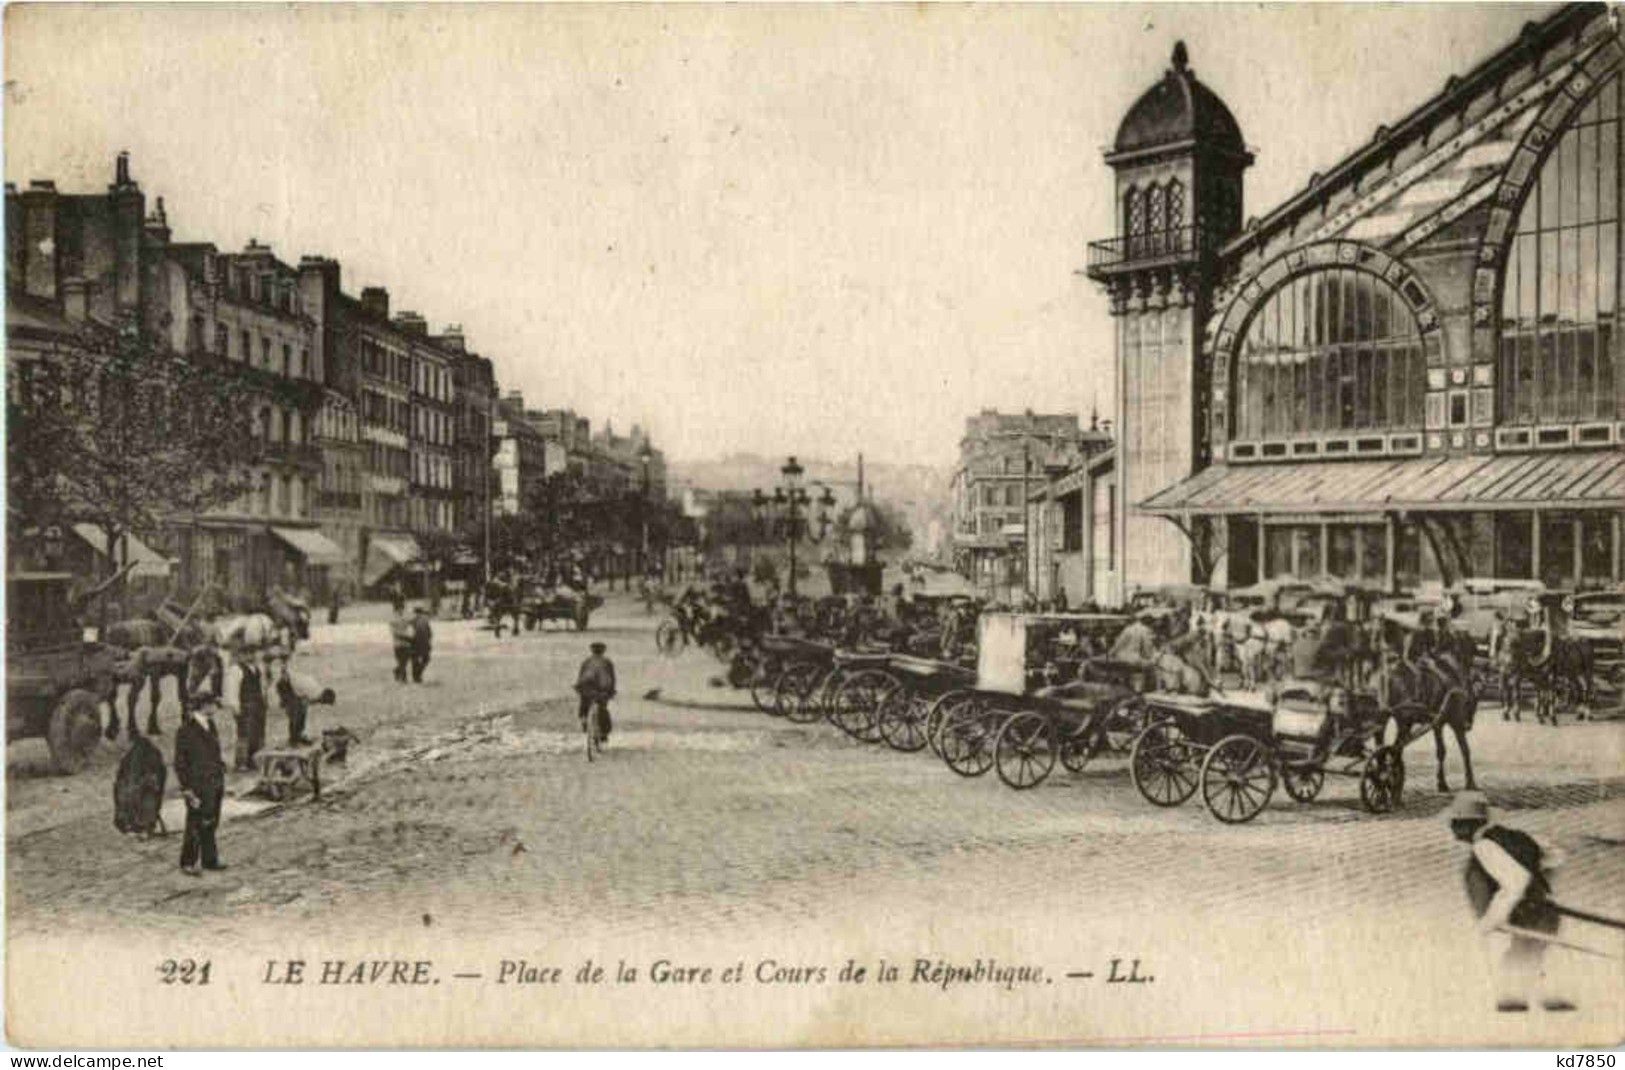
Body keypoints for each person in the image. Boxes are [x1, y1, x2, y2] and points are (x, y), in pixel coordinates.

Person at [1447, 792, 1573, 1013]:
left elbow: (1515, 882)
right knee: (1525, 960)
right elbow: (1556, 855)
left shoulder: (1483, 846)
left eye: (1455, 822)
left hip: (1530, 917)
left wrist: (1491, 920)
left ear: (1467, 825)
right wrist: (1541, 889)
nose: (1451, 827)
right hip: (1544, 913)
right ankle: (1540, 1002)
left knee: (1515, 969)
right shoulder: (1511, 835)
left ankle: (1525, 1011)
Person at [174, 684, 228, 876]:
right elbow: (180, 763)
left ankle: (209, 859)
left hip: (214, 780)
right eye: (212, 704)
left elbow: (213, 751)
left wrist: (221, 766)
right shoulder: (185, 731)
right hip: (198, 784)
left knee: (211, 820)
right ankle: (188, 862)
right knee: (195, 822)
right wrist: (186, 788)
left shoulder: (210, 725)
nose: (215, 707)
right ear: (203, 706)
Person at [575, 641, 617, 743]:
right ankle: (604, 734)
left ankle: (584, 719)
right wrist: (612, 691)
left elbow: (580, 677)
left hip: (587, 689)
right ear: (603, 651)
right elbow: (612, 678)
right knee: (602, 708)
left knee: (584, 705)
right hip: (602, 690)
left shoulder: (587, 661)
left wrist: (578, 688)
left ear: (592, 651)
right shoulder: (607, 662)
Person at [232, 655, 266, 772]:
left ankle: (255, 760)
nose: (252, 656)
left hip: (258, 705)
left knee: (258, 733)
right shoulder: (236, 670)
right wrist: (235, 706)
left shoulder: (258, 669)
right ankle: (241, 762)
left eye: (254, 652)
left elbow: (263, 687)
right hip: (245, 705)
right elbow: (233, 689)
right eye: (248, 653)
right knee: (244, 734)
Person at [390, 605, 415, 683]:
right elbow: (394, 633)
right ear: (395, 611)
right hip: (398, 643)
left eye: (402, 610)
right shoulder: (393, 620)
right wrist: (406, 636)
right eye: (399, 610)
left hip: (405, 643)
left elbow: (411, 622)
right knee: (401, 661)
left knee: (405, 661)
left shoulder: (405, 619)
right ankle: (404, 679)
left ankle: (397, 671)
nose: (401, 611)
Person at [410, 606, 433, 683]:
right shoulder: (425, 621)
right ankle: (418, 675)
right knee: (426, 659)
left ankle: (416, 676)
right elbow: (430, 633)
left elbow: (410, 633)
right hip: (424, 643)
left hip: (415, 643)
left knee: (415, 660)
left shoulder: (413, 621)